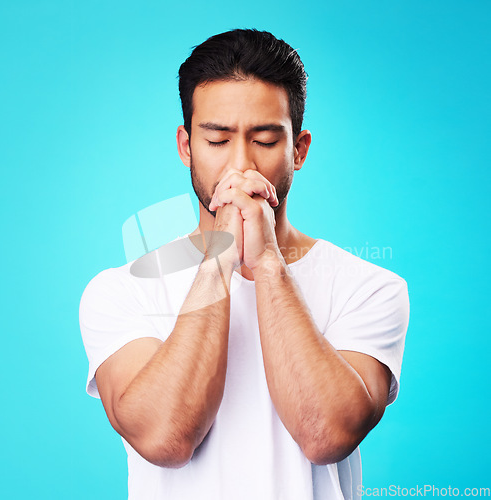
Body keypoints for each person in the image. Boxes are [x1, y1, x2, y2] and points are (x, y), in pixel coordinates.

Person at [79, 29, 409, 500]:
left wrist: (269, 265)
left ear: (298, 150)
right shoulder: (121, 290)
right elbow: (165, 438)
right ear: (186, 146)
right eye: (217, 140)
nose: (240, 167)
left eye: (265, 140)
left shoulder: (370, 287)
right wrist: (219, 259)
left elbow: (327, 436)